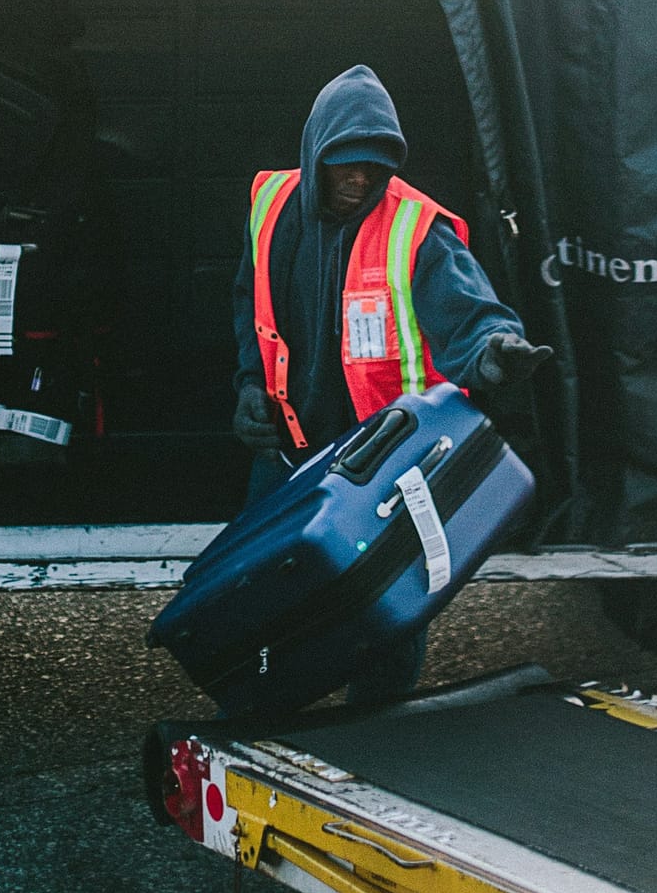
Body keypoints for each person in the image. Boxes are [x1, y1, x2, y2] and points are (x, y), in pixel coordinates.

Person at [230, 64, 550, 703]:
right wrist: (247, 389)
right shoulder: (272, 209)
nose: (359, 180)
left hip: (382, 468)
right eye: (345, 165)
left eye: (375, 167)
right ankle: (256, 721)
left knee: (386, 615)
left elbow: (469, 314)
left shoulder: (416, 232)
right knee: (257, 603)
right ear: (315, 154)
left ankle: (374, 739)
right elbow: (249, 302)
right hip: (290, 451)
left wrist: (493, 353)